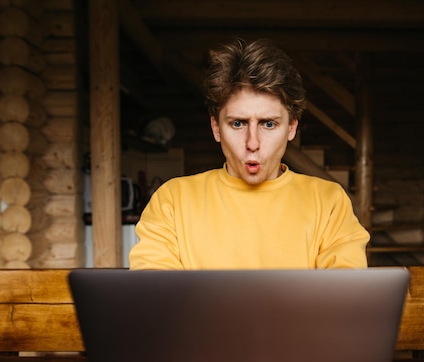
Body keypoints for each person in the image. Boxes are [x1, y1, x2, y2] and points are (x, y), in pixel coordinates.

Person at [129, 38, 370, 270]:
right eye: (238, 124)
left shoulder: (329, 203)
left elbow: (347, 300)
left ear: (292, 128)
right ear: (216, 128)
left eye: (268, 124)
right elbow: (155, 299)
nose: (252, 143)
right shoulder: (172, 201)